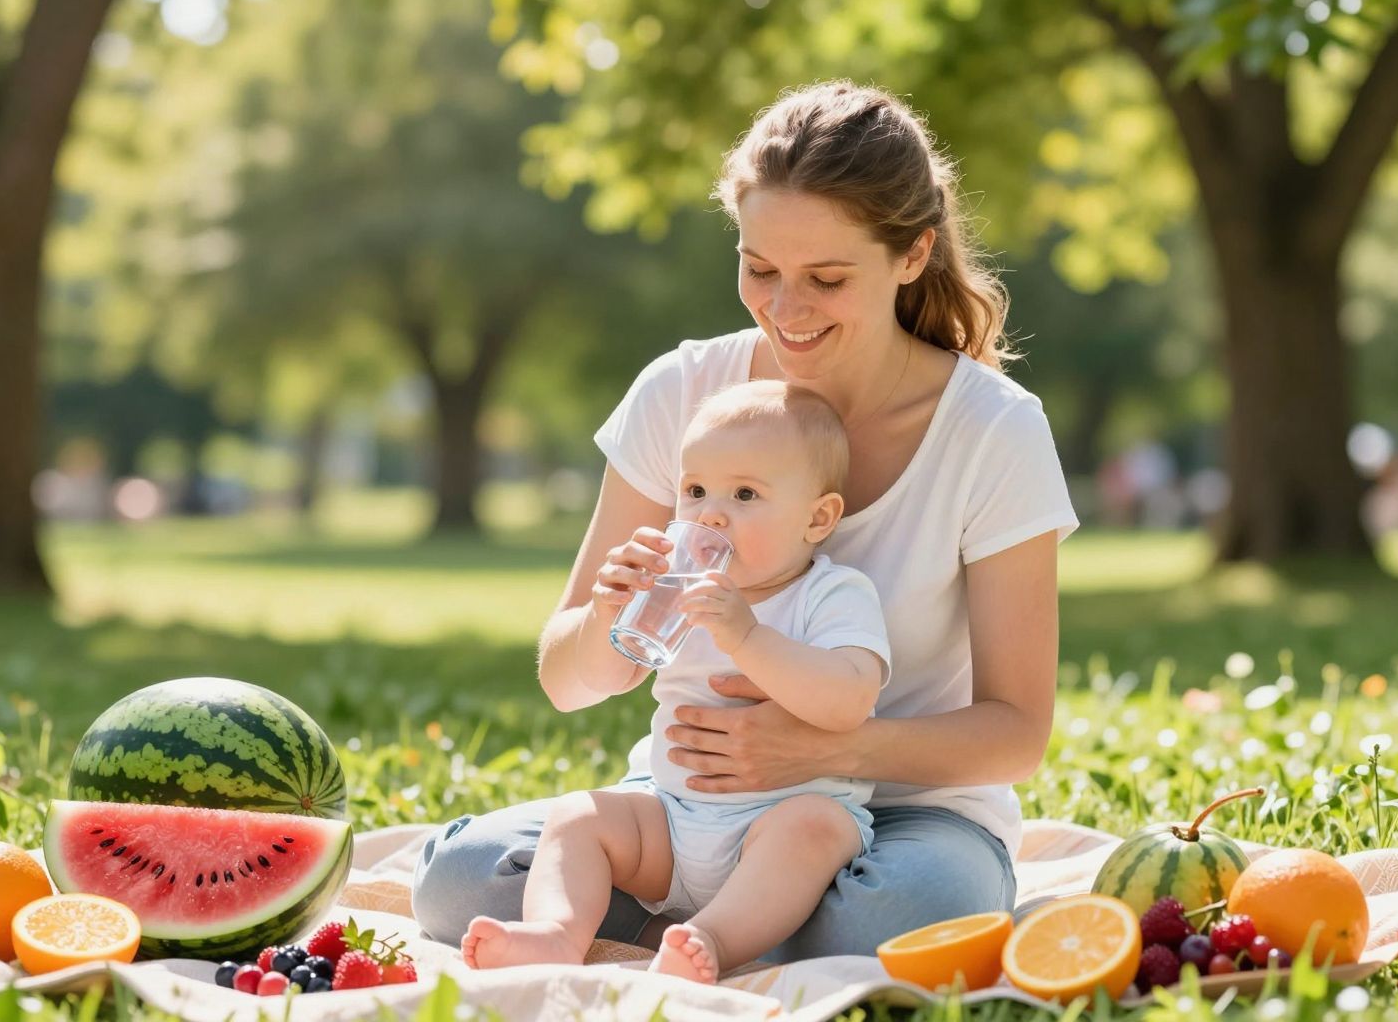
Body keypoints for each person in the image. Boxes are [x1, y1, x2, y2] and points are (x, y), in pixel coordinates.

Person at [412, 79, 1078, 965]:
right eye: (759, 268)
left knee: (895, 917)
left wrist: (813, 750)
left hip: (910, 813)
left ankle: (691, 934)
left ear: (913, 255)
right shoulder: (683, 393)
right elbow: (570, 681)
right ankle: (709, 935)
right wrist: (612, 619)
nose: (785, 309)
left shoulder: (992, 429)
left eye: (826, 279)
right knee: (459, 878)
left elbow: (1016, 734)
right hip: (693, 805)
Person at [461, 380, 890, 982]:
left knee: (814, 830)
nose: (711, 513)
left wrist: (747, 636)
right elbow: (609, 677)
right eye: (694, 491)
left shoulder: (833, 593)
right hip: (672, 814)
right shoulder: (675, 589)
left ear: (818, 518)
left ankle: (706, 942)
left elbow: (850, 699)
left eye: (745, 494)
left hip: (782, 817)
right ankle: (557, 933)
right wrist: (608, 614)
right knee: (579, 815)